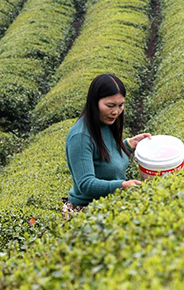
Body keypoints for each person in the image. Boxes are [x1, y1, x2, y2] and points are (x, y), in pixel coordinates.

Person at [62, 73, 151, 219]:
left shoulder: (106, 124)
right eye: (110, 106)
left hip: (110, 204)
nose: (116, 112)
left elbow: (104, 157)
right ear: (94, 102)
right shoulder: (80, 137)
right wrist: (122, 186)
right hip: (87, 212)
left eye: (120, 105)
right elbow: (86, 184)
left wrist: (128, 145)